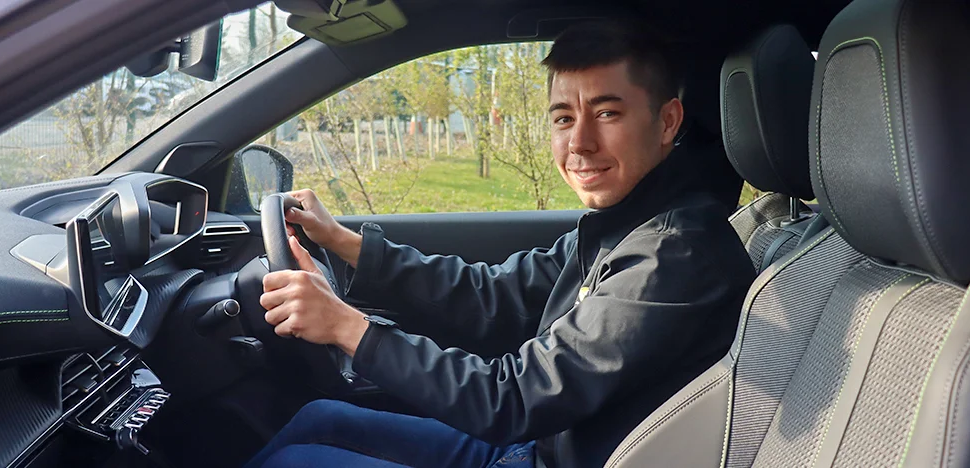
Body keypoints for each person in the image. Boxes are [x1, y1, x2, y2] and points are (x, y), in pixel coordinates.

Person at [245, 21, 755, 468]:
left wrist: (347, 327)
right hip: (536, 447)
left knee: (297, 460)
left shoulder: (675, 256)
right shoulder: (625, 224)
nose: (579, 143)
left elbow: (512, 399)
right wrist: (346, 243)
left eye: (607, 113)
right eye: (562, 118)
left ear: (667, 121)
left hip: (534, 448)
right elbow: (493, 295)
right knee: (319, 419)